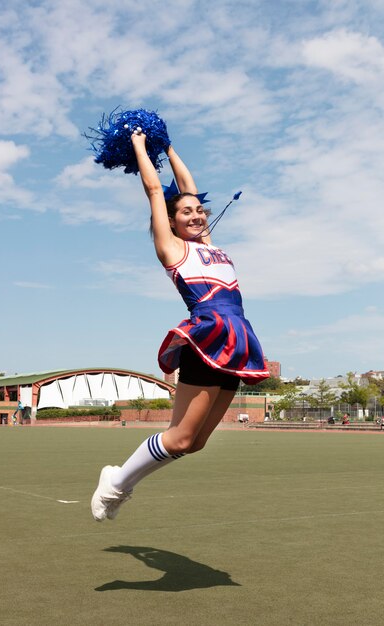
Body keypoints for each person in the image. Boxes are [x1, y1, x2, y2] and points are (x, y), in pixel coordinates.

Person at [91, 130, 269, 522]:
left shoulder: (207, 242)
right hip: (208, 336)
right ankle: (117, 483)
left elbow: (188, 188)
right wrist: (140, 144)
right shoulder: (173, 248)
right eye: (185, 213)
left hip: (237, 339)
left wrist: (168, 146)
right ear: (170, 222)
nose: (195, 215)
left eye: (199, 211)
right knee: (181, 436)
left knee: (196, 443)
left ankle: (119, 479)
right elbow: (157, 191)